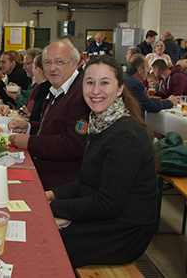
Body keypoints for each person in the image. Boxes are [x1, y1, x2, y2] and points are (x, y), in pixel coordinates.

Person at [45, 55, 157, 268]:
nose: (95, 90)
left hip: (125, 231)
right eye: (90, 82)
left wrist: (52, 207)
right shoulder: (100, 123)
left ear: (120, 88)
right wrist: (50, 194)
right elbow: (86, 181)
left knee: (45, 245)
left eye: (104, 82)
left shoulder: (125, 134)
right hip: (108, 218)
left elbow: (106, 205)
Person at [8, 40, 91, 189]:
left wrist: (29, 142)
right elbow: (55, 128)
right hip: (45, 171)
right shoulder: (59, 88)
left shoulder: (80, 94)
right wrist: (28, 127)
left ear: (74, 63)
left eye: (59, 62)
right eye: (47, 62)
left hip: (59, 183)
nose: (52, 68)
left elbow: (74, 145)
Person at [28, 53, 52, 122]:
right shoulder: (45, 87)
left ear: (38, 70)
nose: (33, 71)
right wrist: (29, 115)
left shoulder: (43, 91)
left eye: (33, 68)